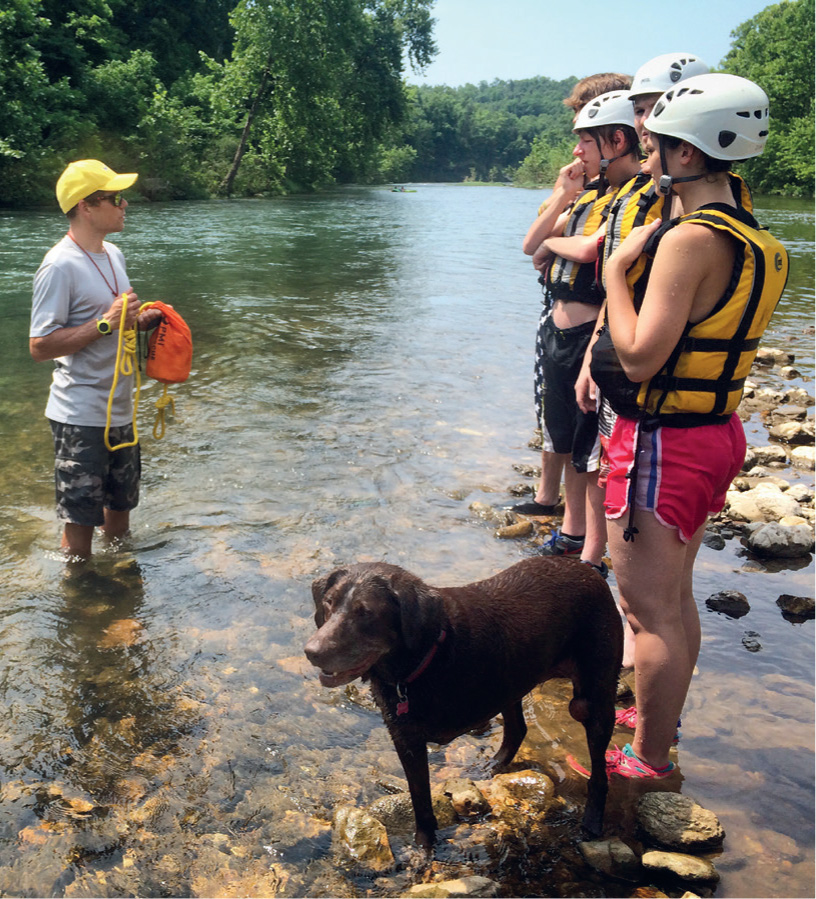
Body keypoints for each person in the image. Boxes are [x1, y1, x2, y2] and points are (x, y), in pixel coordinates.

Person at [589, 74, 788, 777]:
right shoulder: (756, 236)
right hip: (714, 434)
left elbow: (641, 357)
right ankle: (657, 718)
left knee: (647, 612)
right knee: (672, 597)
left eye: (659, 144)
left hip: (663, 443)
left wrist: (615, 273)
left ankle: (647, 757)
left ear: (691, 154)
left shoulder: (690, 239)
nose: (650, 157)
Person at [525, 91, 642, 576]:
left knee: (591, 448)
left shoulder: (633, 193)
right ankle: (574, 532)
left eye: (584, 142)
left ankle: (589, 549)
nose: (576, 152)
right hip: (557, 329)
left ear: (616, 140)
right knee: (567, 438)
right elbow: (530, 247)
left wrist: (556, 243)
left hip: (589, 334)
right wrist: (561, 197)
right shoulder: (587, 192)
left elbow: (594, 249)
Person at [30, 159, 163, 561]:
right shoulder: (58, 266)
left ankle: (120, 584)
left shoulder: (114, 254)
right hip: (80, 415)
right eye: (115, 198)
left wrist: (140, 323)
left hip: (120, 410)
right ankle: (80, 603)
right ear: (86, 206)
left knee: (121, 513)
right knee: (80, 526)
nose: (125, 205)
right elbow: (40, 345)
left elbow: (116, 321)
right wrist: (106, 325)